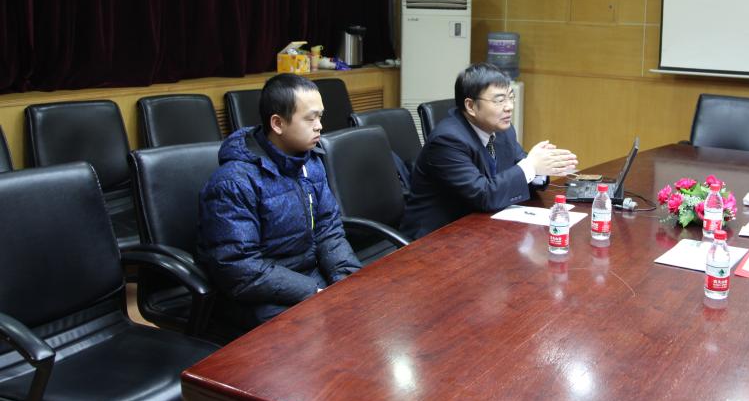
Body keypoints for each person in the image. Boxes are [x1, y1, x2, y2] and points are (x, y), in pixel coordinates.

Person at [198, 73, 361, 329]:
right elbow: (238, 267)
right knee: (329, 335)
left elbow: (328, 230)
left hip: (309, 281)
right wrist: (313, 291)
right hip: (259, 297)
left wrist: (348, 280)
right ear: (277, 123)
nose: (319, 126)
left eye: (320, 117)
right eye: (310, 118)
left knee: (362, 312)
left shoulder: (310, 162)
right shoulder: (233, 182)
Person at [401, 63, 578, 239]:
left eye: (511, 97)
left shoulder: (503, 130)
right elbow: (483, 194)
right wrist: (531, 166)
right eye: (499, 100)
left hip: (478, 225)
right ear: (471, 106)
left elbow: (517, 167)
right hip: (436, 237)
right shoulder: (447, 141)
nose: (509, 107)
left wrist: (541, 169)